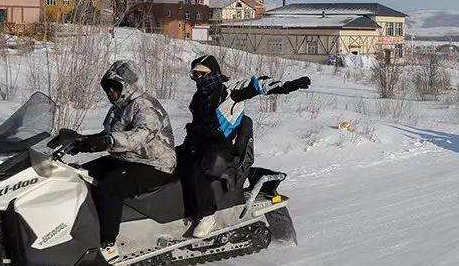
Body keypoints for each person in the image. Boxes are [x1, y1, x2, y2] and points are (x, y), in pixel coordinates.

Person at [179, 55, 311, 238]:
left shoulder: (230, 91)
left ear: (213, 73)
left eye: (201, 74)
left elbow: (260, 85)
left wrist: (288, 85)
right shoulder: (199, 96)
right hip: (200, 142)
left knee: (198, 168)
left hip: (223, 146)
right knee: (175, 162)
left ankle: (206, 216)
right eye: (194, 75)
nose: (197, 79)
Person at [69, 60, 177, 263]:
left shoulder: (145, 106)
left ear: (127, 86)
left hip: (154, 164)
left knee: (110, 186)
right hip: (127, 159)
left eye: (115, 88)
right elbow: (111, 135)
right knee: (78, 174)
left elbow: (139, 136)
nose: (110, 93)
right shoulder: (119, 108)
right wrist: (82, 142)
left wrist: (106, 142)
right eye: (108, 89)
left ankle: (108, 244)